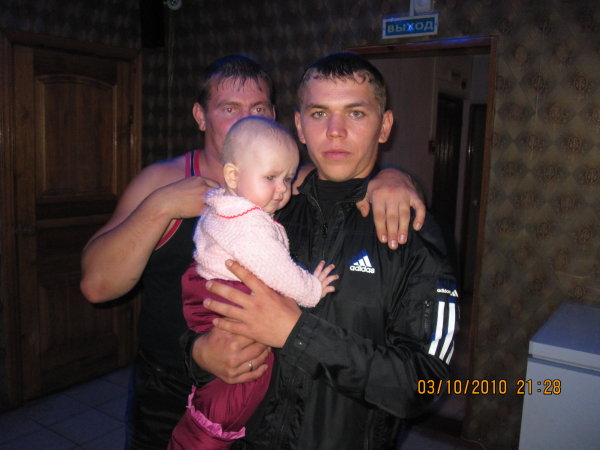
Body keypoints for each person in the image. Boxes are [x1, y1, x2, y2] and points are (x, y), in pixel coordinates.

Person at [80, 54, 425, 449]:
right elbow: (97, 286)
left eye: (258, 108)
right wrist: (161, 207)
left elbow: (352, 175)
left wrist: (395, 177)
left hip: (255, 396)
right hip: (170, 383)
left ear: (273, 116)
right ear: (200, 116)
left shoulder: (288, 184)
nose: (246, 119)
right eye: (229, 108)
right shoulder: (163, 180)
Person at [188, 52, 459, 449]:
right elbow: (199, 312)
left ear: (384, 126)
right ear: (299, 126)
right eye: (319, 114)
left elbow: (424, 383)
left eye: (355, 113)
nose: (335, 131)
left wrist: (296, 334)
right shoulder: (263, 215)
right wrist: (199, 354)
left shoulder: (413, 231)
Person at [169, 116, 337, 449]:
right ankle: (204, 438)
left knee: (223, 383)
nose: (282, 189)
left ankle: (195, 434)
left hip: (207, 293)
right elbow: (279, 272)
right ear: (233, 175)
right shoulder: (249, 225)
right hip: (229, 297)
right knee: (250, 376)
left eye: (288, 179)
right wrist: (313, 289)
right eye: (271, 177)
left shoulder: (225, 204)